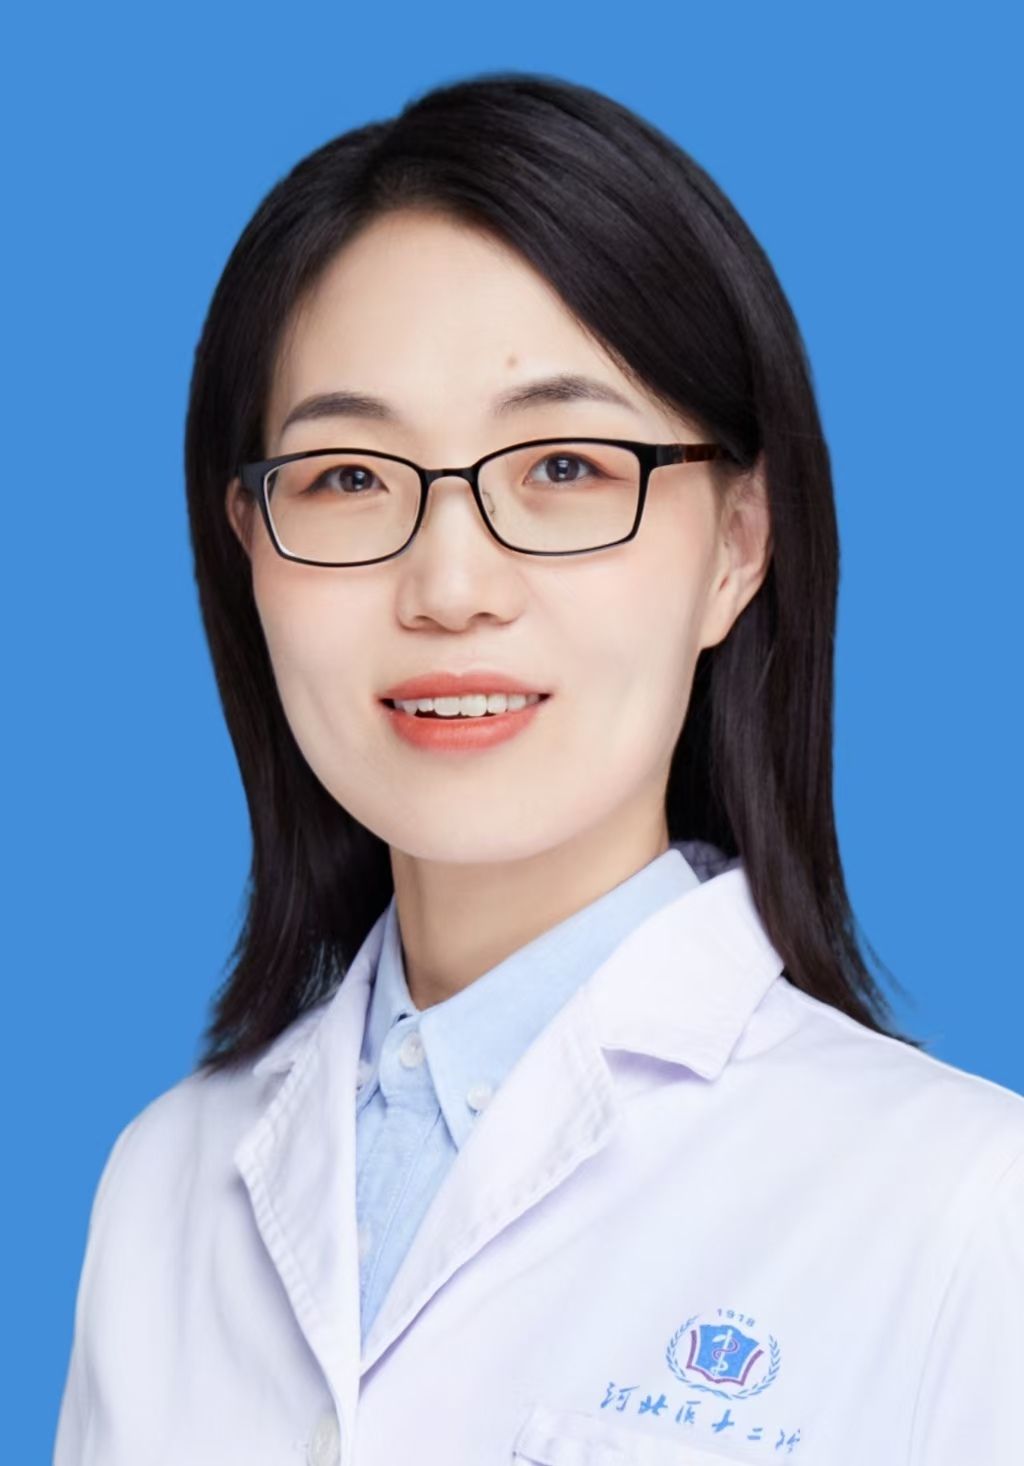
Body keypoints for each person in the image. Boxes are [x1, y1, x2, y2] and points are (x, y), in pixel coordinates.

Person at [54, 72, 1023, 1466]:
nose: (451, 587)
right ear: (248, 546)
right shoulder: (166, 1186)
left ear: (738, 545)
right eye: (348, 477)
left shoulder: (965, 1211)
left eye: (564, 466)